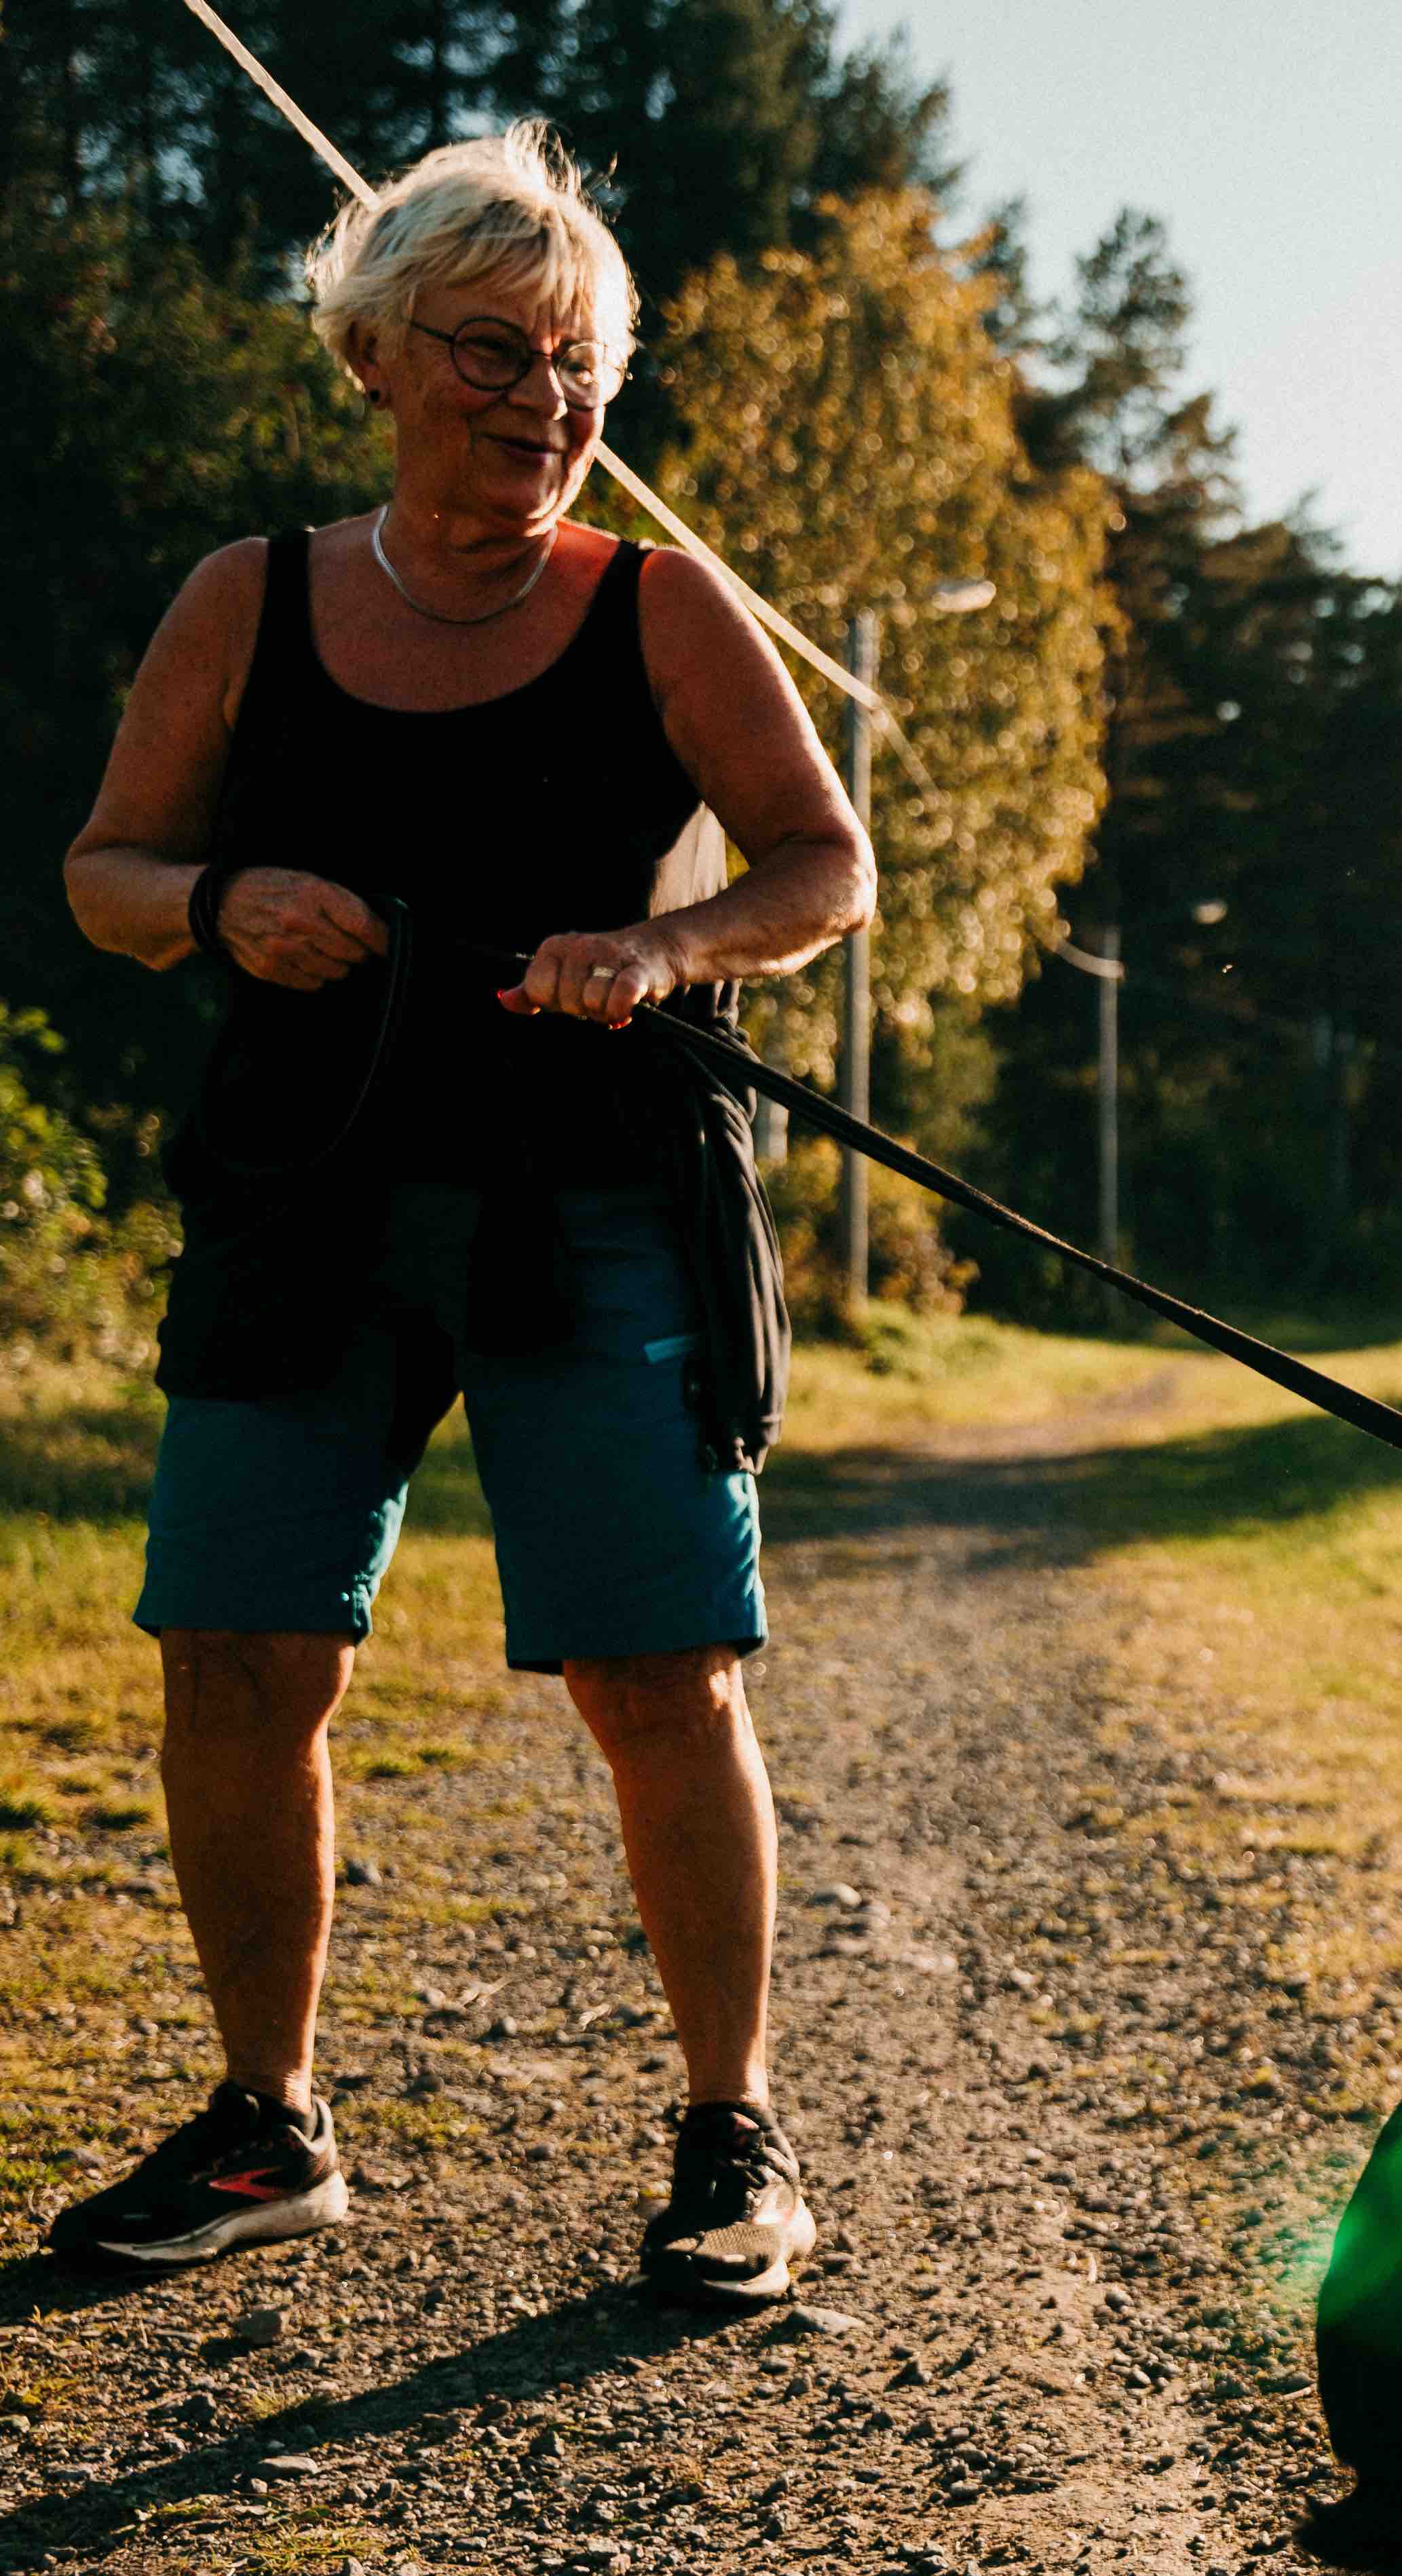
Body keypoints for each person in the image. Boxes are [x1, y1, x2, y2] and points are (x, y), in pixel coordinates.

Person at [52, 125, 870, 2309]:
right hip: (303, 1208)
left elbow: (823, 861)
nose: (545, 398)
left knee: (654, 1675)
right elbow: (105, 878)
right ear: (375, 356)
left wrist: (665, 950)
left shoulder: (654, 607)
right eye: (495, 351)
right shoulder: (247, 599)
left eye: (581, 361)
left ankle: (731, 2136)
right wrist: (225, 901)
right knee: (239, 1654)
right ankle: (267, 2128)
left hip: (591, 1207)